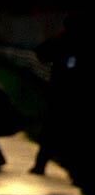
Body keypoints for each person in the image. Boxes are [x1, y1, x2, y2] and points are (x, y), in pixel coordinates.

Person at [31, 14, 87, 176]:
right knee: (58, 131)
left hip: (65, 95)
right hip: (64, 95)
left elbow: (41, 52)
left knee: (54, 131)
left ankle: (44, 165)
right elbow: (42, 52)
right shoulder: (64, 42)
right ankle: (45, 165)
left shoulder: (66, 42)